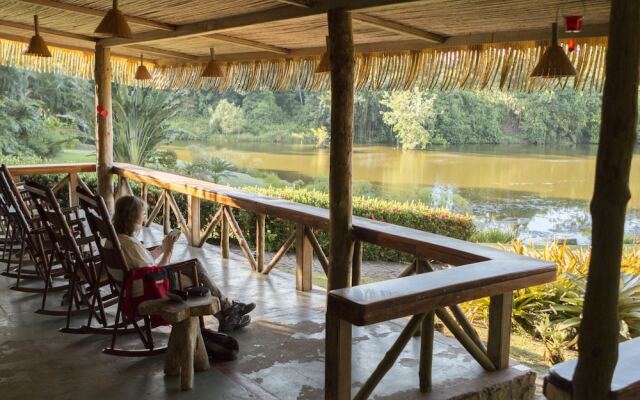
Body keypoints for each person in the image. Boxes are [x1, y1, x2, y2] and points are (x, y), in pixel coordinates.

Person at [110, 195, 254, 332]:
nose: (144, 218)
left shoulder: (118, 239)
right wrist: (168, 252)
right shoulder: (130, 245)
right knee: (196, 275)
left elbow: (144, 261)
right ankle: (228, 311)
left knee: (195, 270)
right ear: (132, 217)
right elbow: (155, 275)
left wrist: (162, 248)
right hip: (147, 289)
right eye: (143, 214)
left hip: (133, 285)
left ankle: (228, 313)